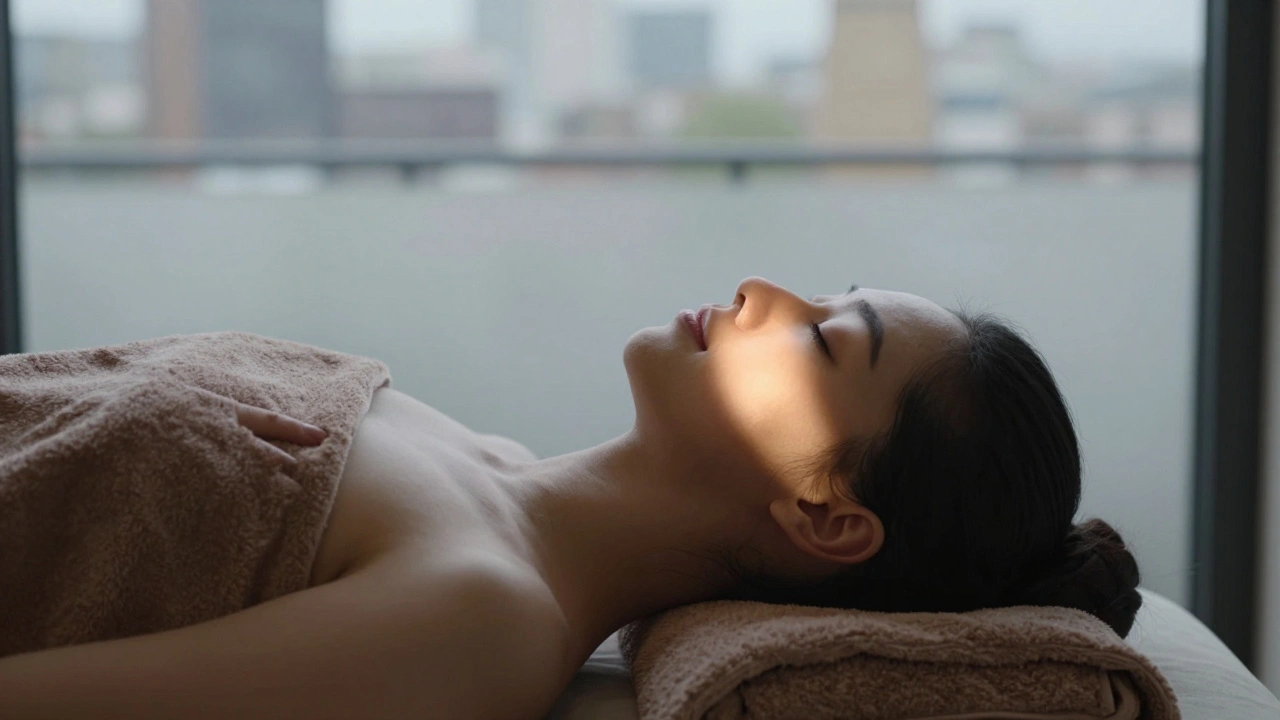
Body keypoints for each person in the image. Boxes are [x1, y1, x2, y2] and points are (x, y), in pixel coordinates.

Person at [0, 276, 1141, 720]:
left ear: (825, 513)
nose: (761, 291)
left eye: (825, 340)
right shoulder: (477, 458)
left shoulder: (482, 622)